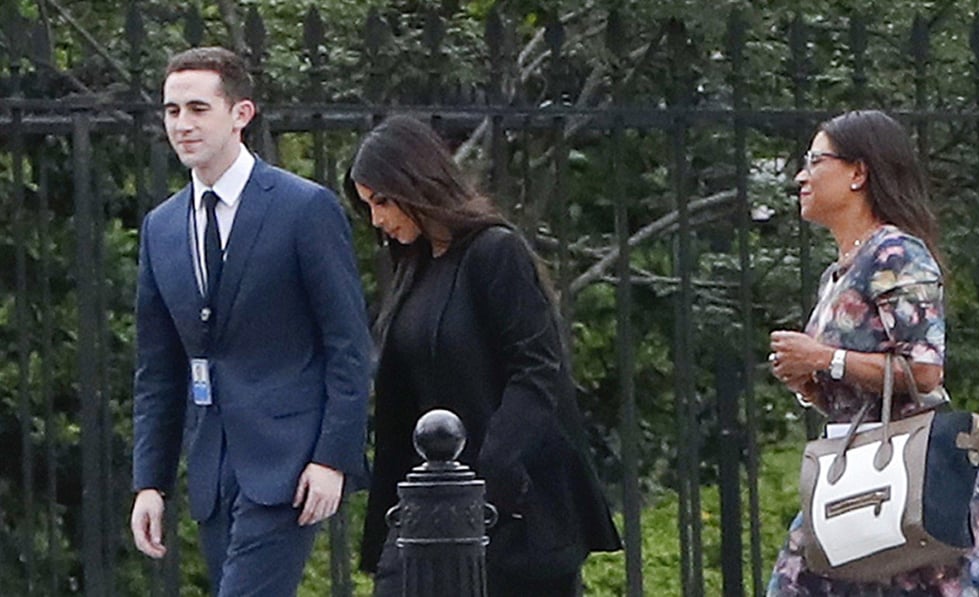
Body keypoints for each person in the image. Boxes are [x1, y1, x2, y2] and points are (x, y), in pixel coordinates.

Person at [344, 115, 622, 596]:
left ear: (417, 184)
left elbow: (537, 370)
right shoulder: (415, 267)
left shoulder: (495, 253)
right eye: (368, 205)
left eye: (382, 201)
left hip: (509, 514)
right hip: (429, 513)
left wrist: (491, 473)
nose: (377, 220)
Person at [129, 46, 371, 596]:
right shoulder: (161, 227)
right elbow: (158, 368)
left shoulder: (303, 208)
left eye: (198, 109)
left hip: (289, 462)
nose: (182, 125)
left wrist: (333, 458)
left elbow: (348, 344)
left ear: (241, 114)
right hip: (212, 466)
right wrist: (150, 483)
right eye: (172, 111)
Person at [766, 110, 979, 596]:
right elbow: (861, 390)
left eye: (815, 160)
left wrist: (824, 359)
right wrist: (812, 385)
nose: (801, 176)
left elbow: (923, 371)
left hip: (912, 475)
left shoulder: (896, 254)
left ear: (858, 173)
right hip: (861, 473)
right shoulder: (839, 272)